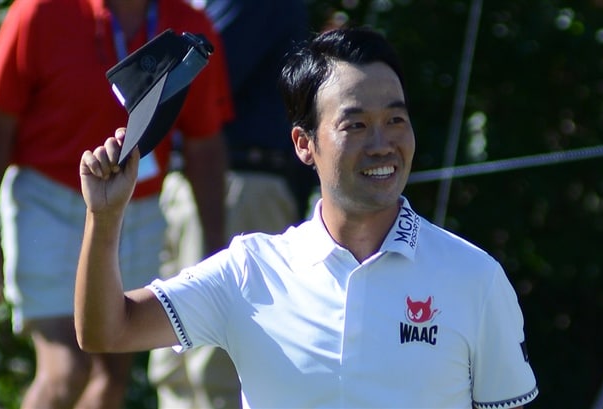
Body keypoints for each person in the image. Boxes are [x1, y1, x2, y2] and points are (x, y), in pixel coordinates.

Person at [75, 27, 539, 408]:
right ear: (304, 144)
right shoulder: (251, 271)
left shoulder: (475, 277)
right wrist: (104, 216)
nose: (382, 144)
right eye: (355, 125)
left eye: (395, 120)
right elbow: (105, 329)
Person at [0, 0, 232, 405]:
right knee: (67, 369)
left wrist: (215, 245)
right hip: (47, 201)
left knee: (111, 377)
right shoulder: (39, 11)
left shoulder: (189, 25)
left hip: (137, 208)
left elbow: (203, 142)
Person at [146, 1, 316, 407]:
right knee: (172, 366)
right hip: (189, 182)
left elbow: (191, 75)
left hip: (242, 186)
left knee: (217, 363)